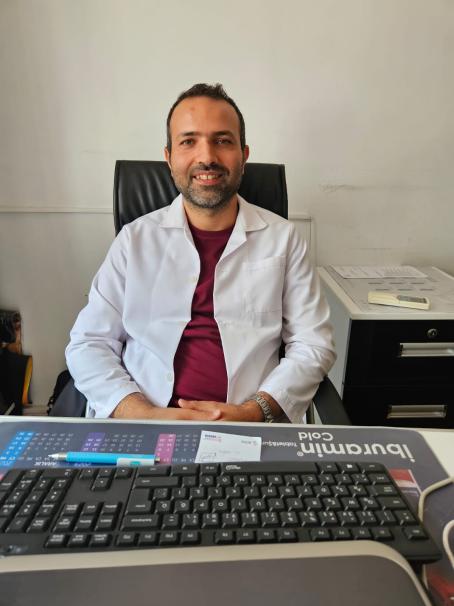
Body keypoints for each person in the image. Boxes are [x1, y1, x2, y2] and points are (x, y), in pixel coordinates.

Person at [66, 83, 335, 423]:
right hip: (144, 424)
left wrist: (253, 411)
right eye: (188, 141)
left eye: (222, 141)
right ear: (169, 157)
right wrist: (142, 413)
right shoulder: (134, 240)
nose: (207, 157)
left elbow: (313, 343)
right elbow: (89, 343)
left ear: (244, 155)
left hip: (249, 426)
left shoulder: (283, 239)